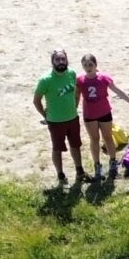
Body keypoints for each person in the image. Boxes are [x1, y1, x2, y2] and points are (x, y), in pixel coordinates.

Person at [76, 54, 129, 181]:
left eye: (90, 64)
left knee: (108, 138)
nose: (88, 67)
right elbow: (75, 97)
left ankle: (113, 164)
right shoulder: (80, 80)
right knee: (94, 139)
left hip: (104, 112)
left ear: (96, 65)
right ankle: (97, 167)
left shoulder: (104, 78)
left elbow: (118, 91)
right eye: (85, 65)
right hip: (89, 115)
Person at [33, 49, 84, 187]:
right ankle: (60, 175)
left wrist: (75, 106)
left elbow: (76, 92)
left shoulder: (72, 73)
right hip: (55, 122)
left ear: (67, 60)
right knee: (57, 148)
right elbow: (36, 100)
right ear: (52, 62)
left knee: (76, 146)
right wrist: (45, 115)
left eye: (63, 59)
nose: (61, 62)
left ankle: (80, 171)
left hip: (72, 118)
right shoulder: (46, 80)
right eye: (58, 59)